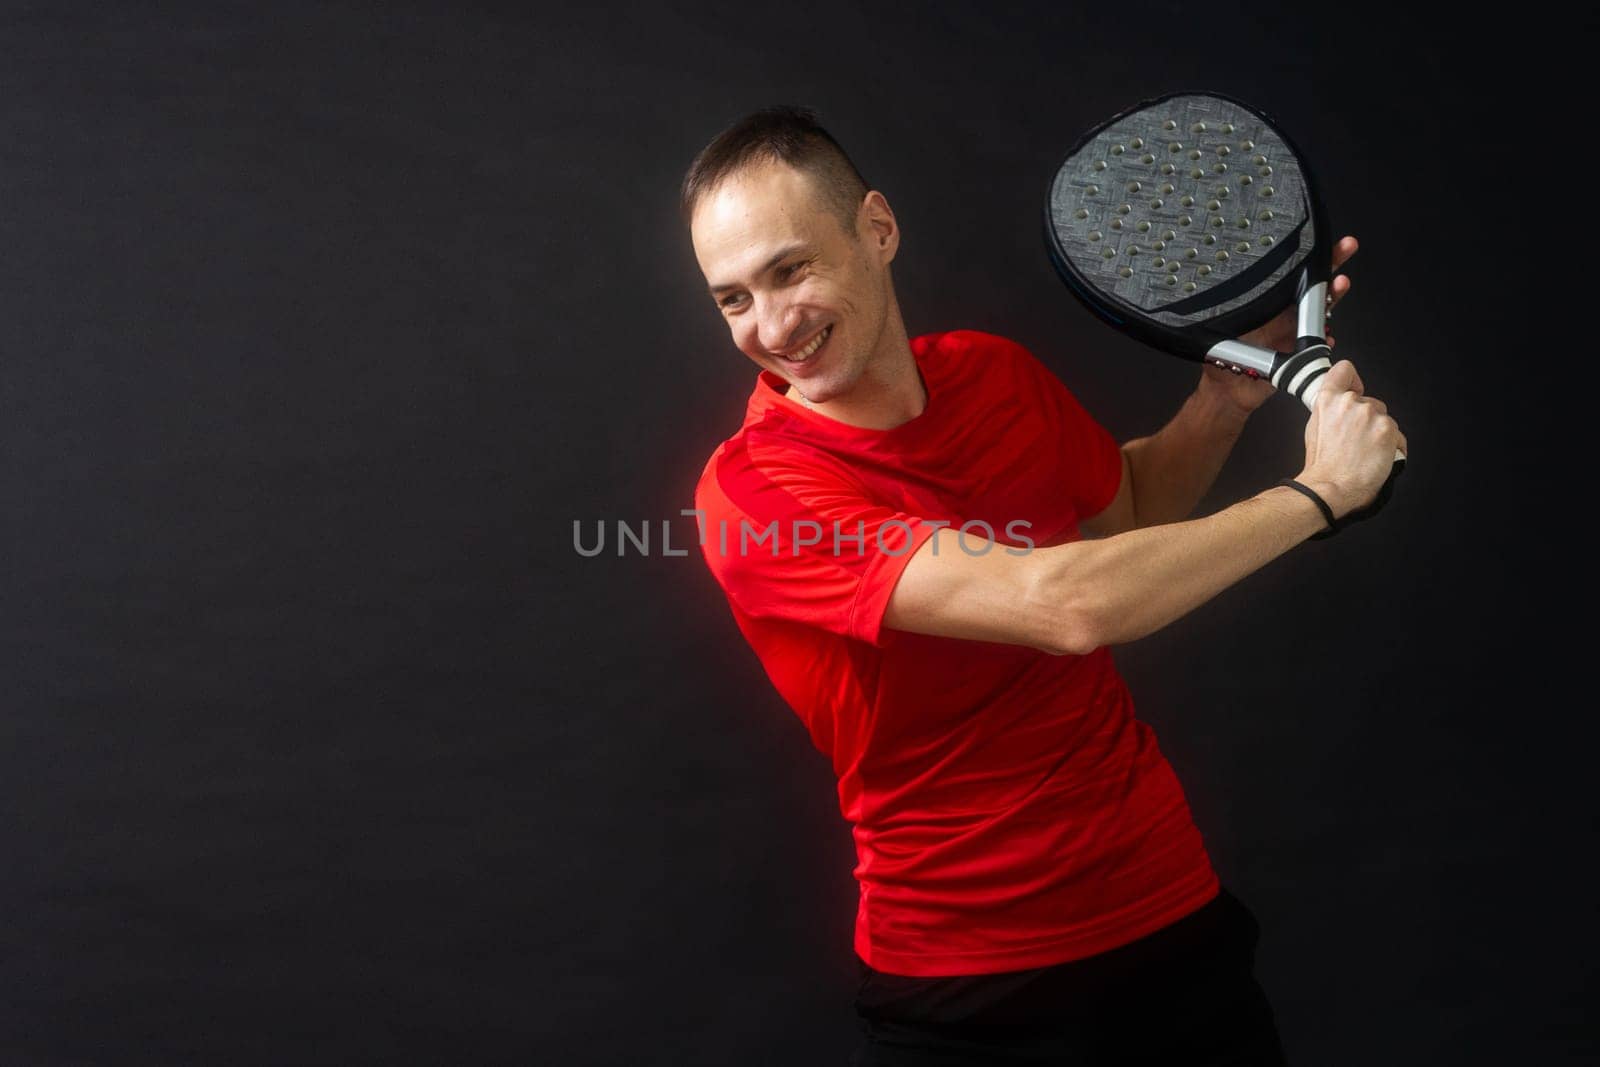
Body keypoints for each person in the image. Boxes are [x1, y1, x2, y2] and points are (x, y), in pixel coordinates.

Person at [680, 105, 1405, 1065]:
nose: (772, 325)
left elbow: (1133, 508)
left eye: (790, 269)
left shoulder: (993, 373)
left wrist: (1223, 397)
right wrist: (1317, 495)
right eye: (733, 299)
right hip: (972, 990)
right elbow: (1063, 604)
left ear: (878, 229)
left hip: (1170, 917)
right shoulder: (753, 491)